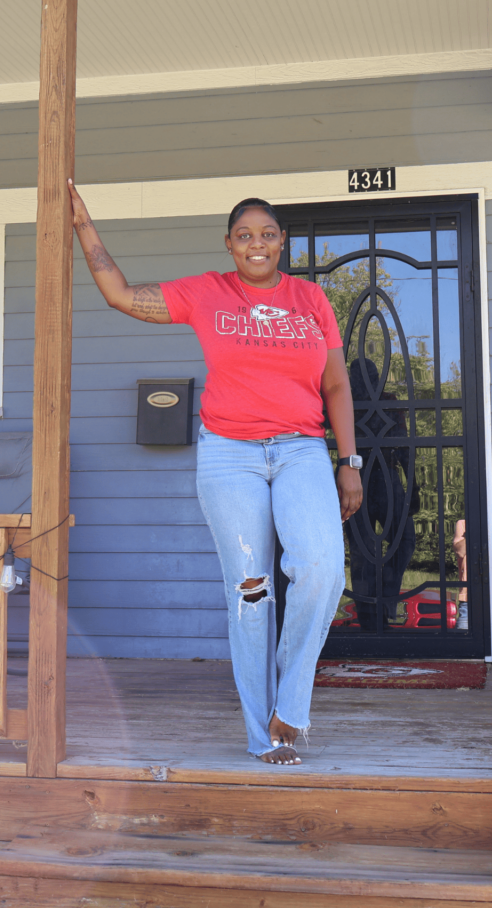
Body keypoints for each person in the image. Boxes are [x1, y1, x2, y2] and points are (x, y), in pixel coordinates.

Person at [67, 181, 363, 765]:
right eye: (245, 236)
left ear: (282, 242)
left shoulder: (311, 301)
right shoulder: (206, 294)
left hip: (302, 450)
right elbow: (121, 295)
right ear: (229, 244)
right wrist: (83, 226)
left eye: (268, 235)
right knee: (251, 592)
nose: (258, 244)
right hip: (230, 454)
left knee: (322, 569)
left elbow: (335, 385)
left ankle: (292, 706)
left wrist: (348, 463)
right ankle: (265, 735)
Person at [347, 358, 416, 631]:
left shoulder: (389, 400)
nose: (366, 380)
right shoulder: (346, 403)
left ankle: (383, 602)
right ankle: (367, 616)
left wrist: (413, 486)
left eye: (371, 374)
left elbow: (403, 445)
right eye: (360, 375)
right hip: (356, 476)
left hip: (387, 477)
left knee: (405, 539)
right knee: (361, 550)